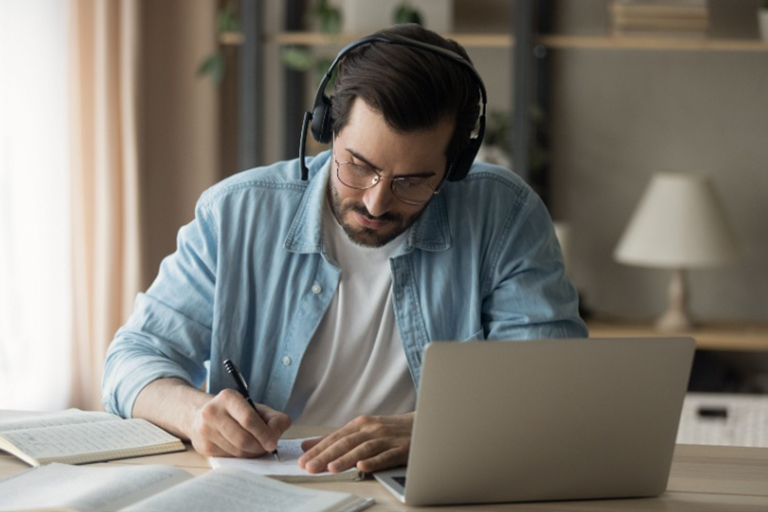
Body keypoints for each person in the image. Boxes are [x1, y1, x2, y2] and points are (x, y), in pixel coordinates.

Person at [102, 23, 587, 476]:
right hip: (269, 487)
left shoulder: (505, 214)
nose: (377, 201)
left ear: (454, 167)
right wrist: (195, 414)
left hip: (429, 484)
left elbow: (552, 386)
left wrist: (431, 429)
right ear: (329, 129)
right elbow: (131, 359)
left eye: (413, 181)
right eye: (357, 165)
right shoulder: (236, 214)